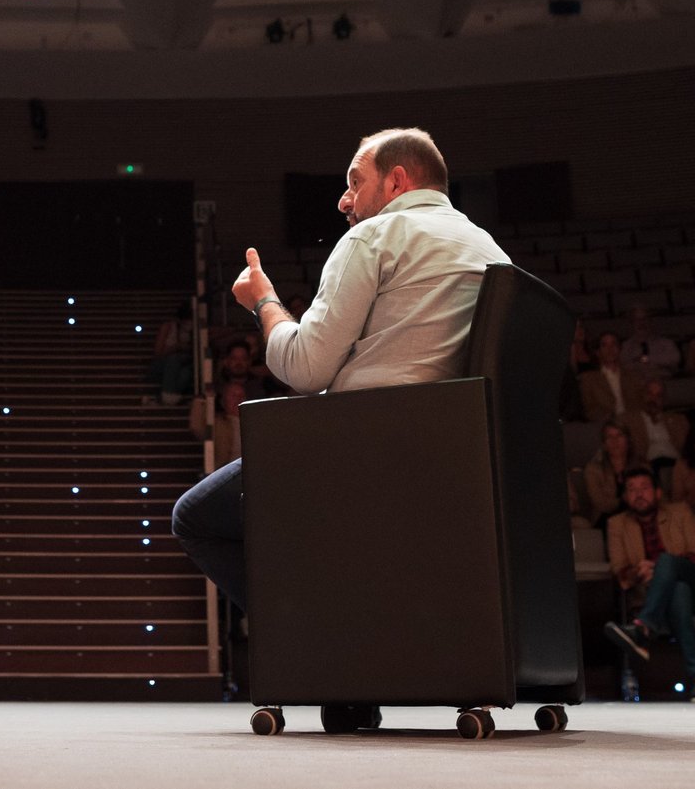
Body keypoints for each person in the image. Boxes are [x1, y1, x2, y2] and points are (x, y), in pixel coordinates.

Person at [172, 127, 508, 611]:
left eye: (355, 182)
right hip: (454, 464)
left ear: (396, 183)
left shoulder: (374, 237)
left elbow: (304, 369)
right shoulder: (490, 249)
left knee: (194, 519)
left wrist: (263, 301)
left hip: (358, 453)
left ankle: (307, 639)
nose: (343, 201)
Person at [602, 468, 695, 703]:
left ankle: (643, 628)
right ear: (626, 497)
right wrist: (640, 571)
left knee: (668, 562)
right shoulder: (617, 524)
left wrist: (661, 569)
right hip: (664, 599)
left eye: (645, 488)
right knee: (679, 592)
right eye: (632, 490)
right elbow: (620, 572)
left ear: (658, 493)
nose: (639, 494)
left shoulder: (680, 512)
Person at [584, 420, 647, 523]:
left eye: (619, 435)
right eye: (609, 437)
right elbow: (600, 503)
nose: (615, 441)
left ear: (628, 440)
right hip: (607, 518)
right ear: (604, 443)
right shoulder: (593, 470)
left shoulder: (642, 466)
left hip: (640, 515)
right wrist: (623, 500)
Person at [579, 332, 649, 424]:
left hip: (634, 423)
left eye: (613, 344)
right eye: (604, 345)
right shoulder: (588, 379)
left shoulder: (634, 376)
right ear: (598, 352)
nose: (610, 349)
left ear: (619, 349)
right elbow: (589, 409)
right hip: (604, 425)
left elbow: (642, 403)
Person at [629, 378, 689, 477]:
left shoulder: (679, 421)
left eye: (658, 396)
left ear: (664, 400)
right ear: (642, 395)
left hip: (676, 465)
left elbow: (690, 447)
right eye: (650, 394)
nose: (653, 399)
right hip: (648, 466)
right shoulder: (630, 421)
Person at [622, 305, 682, 378]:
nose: (641, 323)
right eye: (637, 320)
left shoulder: (667, 344)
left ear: (651, 321)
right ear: (631, 323)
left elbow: (674, 360)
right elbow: (623, 365)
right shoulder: (625, 347)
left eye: (645, 319)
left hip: (664, 382)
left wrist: (645, 359)